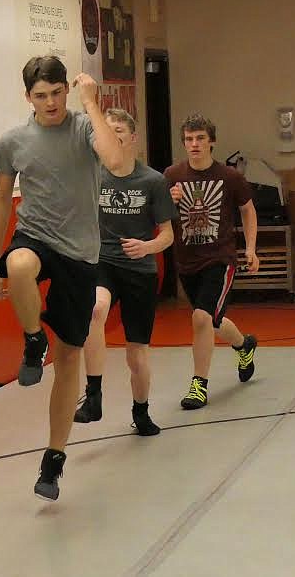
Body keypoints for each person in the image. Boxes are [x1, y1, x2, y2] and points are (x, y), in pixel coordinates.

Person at [0, 56, 122, 501]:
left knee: (70, 358)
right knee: (18, 265)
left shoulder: (85, 129)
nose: (49, 102)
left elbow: (117, 159)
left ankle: (54, 458)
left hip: (81, 254)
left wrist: (91, 102)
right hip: (36, 235)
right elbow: (3, 201)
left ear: (66, 90)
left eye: (56, 93)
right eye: (40, 95)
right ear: (28, 97)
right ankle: (31, 340)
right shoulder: (14, 141)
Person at [73, 108, 176, 435]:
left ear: (132, 138)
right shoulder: (93, 175)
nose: (112, 137)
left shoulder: (153, 181)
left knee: (137, 355)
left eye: (119, 131)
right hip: (102, 261)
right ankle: (93, 395)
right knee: (95, 311)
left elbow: (168, 235)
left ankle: (141, 411)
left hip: (140, 270)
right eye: (107, 131)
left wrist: (147, 247)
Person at [164, 114, 259, 411]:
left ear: (212, 142)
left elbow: (248, 210)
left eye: (200, 138)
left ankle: (198, 386)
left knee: (202, 318)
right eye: (189, 139)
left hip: (220, 259)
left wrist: (251, 249)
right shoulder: (172, 175)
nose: (194, 144)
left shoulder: (230, 177)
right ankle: (244, 346)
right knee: (212, 320)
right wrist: (170, 201)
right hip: (187, 260)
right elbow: (159, 215)